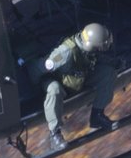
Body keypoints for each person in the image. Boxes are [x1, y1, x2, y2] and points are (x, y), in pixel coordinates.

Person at [42, 22, 117, 150]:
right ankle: (54, 135)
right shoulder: (65, 53)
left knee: (107, 73)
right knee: (54, 90)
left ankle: (97, 116)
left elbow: (96, 58)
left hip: (77, 79)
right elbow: (42, 68)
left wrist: (114, 63)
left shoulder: (88, 49)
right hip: (59, 83)